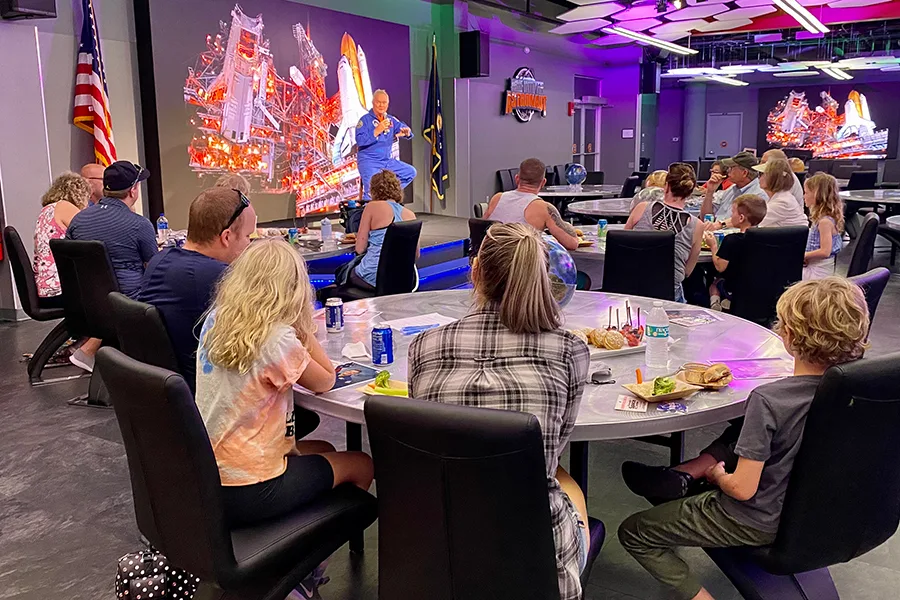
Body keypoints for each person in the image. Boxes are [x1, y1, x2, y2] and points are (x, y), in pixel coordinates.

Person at [618, 277, 869, 600]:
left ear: (787, 336)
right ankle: (681, 476)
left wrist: (718, 475)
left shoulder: (770, 401)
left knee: (636, 532)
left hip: (756, 518)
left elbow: (742, 488)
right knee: (738, 436)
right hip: (822, 513)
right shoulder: (862, 392)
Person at [408, 223, 591, 600]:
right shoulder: (568, 350)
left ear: (474, 273)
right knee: (565, 481)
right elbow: (553, 445)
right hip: (533, 558)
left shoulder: (423, 347)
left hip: (439, 550)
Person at [196, 239, 374, 594]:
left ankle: (296, 550)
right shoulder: (277, 339)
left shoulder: (216, 320)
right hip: (252, 488)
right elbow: (325, 380)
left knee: (322, 445)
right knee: (361, 465)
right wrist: (302, 327)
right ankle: (304, 577)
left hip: (208, 478)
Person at [139, 187, 257, 393]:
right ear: (226, 237)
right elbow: (268, 340)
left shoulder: (160, 260)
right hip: (207, 397)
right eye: (248, 236)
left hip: (165, 394)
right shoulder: (220, 277)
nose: (249, 245)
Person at [66, 161, 157, 299]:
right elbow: (153, 270)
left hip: (87, 303)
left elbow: (69, 262)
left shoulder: (78, 220)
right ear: (132, 190)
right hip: (132, 304)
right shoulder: (140, 225)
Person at [625, 163, 704, 303]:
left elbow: (624, 246)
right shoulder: (697, 226)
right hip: (669, 295)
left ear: (666, 187)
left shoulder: (641, 209)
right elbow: (687, 271)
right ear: (690, 193)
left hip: (631, 288)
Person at [483, 157, 579, 251]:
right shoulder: (544, 208)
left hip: (490, 259)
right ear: (543, 182)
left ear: (516, 179)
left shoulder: (497, 198)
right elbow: (572, 243)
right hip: (521, 263)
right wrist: (568, 226)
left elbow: (481, 231)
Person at [346, 170, 417, 291]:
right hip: (404, 279)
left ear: (374, 190)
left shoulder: (372, 207)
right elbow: (416, 254)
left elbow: (360, 249)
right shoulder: (410, 215)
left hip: (373, 277)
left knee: (343, 273)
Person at [702, 194, 768, 312]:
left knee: (714, 283)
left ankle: (716, 304)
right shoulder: (766, 239)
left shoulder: (732, 240)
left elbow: (720, 266)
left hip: (732, 287)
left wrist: (713, 246)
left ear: (741, 218)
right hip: (758, 288)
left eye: (733, 213)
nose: (731, 216)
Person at [33, 172, 91, 299]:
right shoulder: (65, 206)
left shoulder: (47, 210)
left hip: (44, 287)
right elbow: (90, 231)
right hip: (60, 289)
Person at [356, 89, 416, 200]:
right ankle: (367, 214)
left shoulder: (391, 120)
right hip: (369, 161)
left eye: (384, 103)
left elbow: (405, 130)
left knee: (410, 172)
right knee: (370, 192)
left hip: (386, 161)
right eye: (378, 102)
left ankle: (387, 195)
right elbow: (360, 141)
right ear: (373, 102)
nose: (381, 105)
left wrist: (407, 132)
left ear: (387, 104)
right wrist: (376, 131)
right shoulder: (364, 121)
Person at [701, 152, 766, 227]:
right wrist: (710, 192)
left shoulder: (758, 195)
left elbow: (747, 223)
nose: (728, 171)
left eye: (732, 168)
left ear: (744, 173)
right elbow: (705, 217)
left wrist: (720, 225)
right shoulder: (730, 190)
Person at [802, 173, 844, 281]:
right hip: (815, 265)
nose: (804, 196)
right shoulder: (822, 219)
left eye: (806, 193)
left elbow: (825, 251)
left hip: (818, 272)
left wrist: (804, 255)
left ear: (817, 195)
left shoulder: (824, 222)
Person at [754, 158, 809, 228]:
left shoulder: (782, 202)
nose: (759, 177)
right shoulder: (782, 198)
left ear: (773, 178)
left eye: (761, 174)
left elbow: (753, 223)